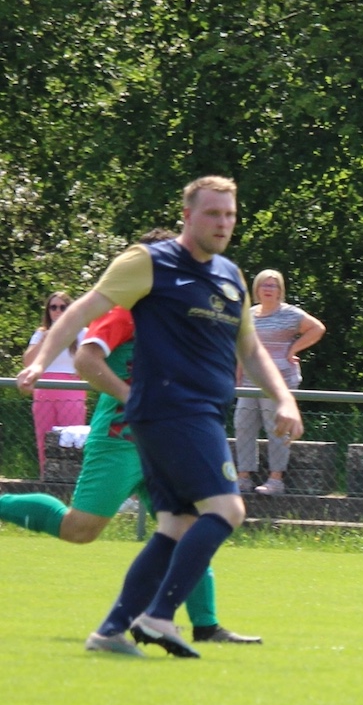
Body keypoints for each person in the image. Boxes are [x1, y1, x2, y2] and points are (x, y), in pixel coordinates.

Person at [17, 175, 302, 658]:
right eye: (212, 213)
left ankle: (111, 631)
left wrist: (284, 399)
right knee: (227, 510)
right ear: (188, 216)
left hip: (198, 413)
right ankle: (158, 617)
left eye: (230, 215)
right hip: (171, 410)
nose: (223, 223)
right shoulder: (150, 261)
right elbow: (82, 311)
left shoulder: (231, 276)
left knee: (177, 525)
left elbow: (251, 350)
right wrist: (41, 360)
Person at [0, 231, 259, 643]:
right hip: (119, 439)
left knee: (190, 526)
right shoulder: (124, 310)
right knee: (80, 529)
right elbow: (87, 359)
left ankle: (206, 625)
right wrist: (134, 398)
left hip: (166, 441)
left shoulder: (179, 311)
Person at [235, 269, 325, 495]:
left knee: (276, 427)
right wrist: (238, 376)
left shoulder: (290, 314)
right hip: (249, 381)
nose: (268, 289)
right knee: (242, 425)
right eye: (263, 285)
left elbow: (317, 328)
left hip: (280, 381)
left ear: (280, 290)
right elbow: (242, 348)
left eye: (272, 285)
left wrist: (293, 349)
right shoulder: (249, 314)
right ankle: (243, 478)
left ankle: (276, 480)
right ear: (256, 289)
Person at [22, 291, 87, 475]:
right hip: (44, 388)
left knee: (72, 436)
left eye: (62, 307)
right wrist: (46, 339)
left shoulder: (81, 332)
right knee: (44, 438)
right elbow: (28, 361)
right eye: (53, 307)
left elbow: (90, 360)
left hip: (72, 389)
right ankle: (46, 478)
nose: (57, 311)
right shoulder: (41, 333)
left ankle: (73, 480)